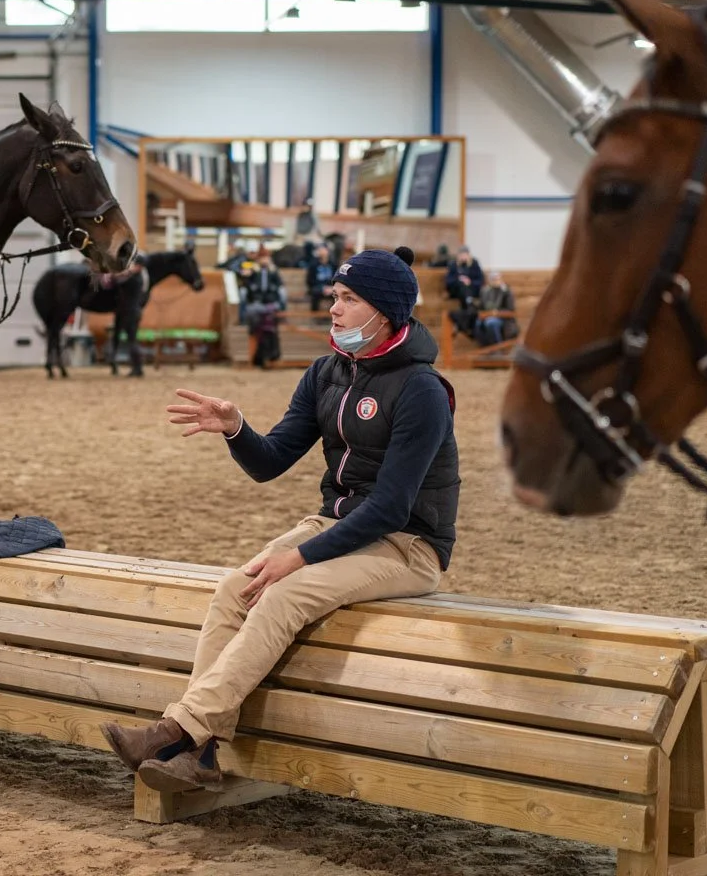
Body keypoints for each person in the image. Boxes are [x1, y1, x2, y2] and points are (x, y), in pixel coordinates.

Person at [101, 246, 459, 793]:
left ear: (384, 313)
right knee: (233, 590)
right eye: (334, 297)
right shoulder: (326, 373)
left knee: (283, 593)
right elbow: (270, 464)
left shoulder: (422, 390)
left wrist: (299, 556)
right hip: (339, 525)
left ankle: (179, 734)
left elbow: (391, 506)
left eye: (348, 299)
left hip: (408, 544)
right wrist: (236, 427)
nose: (334, 309)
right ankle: (197, 757)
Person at [443, 245, 484, 338]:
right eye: (461, 254)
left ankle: (460, 325)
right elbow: (448, 281)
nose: (463, 256)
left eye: (465, 254)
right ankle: (469, 303)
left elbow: (480, 280)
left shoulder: (474, 264)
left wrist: (470, 281)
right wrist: (459, 279)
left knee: (465, 288)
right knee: (462, 286)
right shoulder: (453, 265)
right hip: (456, 290)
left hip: (471, 289)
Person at [474, 270, 517, 347]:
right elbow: (482, 306)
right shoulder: (485, 291)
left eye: (497, 279)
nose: (496, 281)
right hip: (487, 315)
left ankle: (498, 347)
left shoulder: (506, 291)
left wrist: (496, 313)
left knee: (491, 323)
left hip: (504, 318)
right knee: (477, 323)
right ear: (489, 281)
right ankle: (485, 347)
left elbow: (510, 309)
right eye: (493, 279)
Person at [305, 243, 336, 313]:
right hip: (317, 287)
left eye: (323, 249)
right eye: (320, 250)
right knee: (315, 294)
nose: (322, 252)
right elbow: (310, 280)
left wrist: (331, 287)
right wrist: (323, 288)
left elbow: (336, 278)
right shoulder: (313, 264)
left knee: (337, 295)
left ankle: (334, 315)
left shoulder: (333, 264)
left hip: (330, 287)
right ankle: (315, 316)